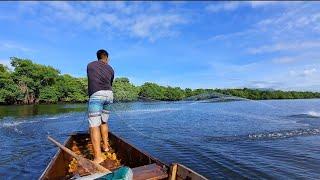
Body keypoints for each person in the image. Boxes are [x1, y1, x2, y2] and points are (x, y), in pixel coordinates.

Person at [87, 49, 114, 164]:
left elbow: (91, 79)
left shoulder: (90, 65)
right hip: (109, 95)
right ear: (107, 58)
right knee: (104, 122)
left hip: (96, 95)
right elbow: (110, 83)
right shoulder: (111, 69)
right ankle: (106, 147)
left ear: (97, 57)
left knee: (94, 126)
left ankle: (98, 157)